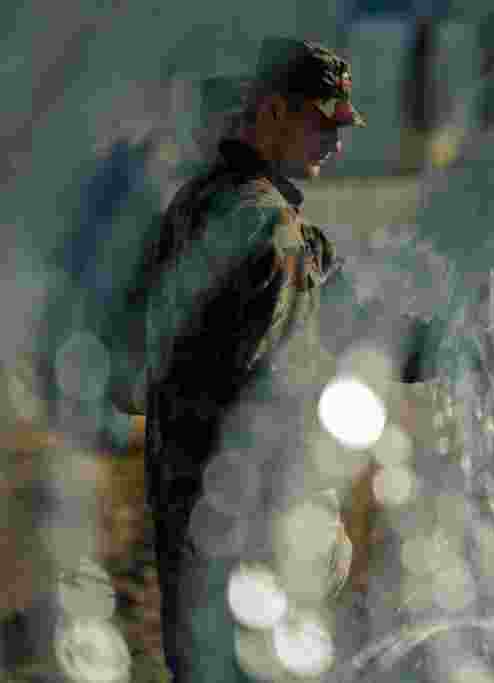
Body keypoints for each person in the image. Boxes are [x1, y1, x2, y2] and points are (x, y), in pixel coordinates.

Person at [139, 37, 377, 682]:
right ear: (272, 112)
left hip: (187, 524)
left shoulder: (197, 203)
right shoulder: (272, 233)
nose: (336, 139)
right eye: (322, 120)